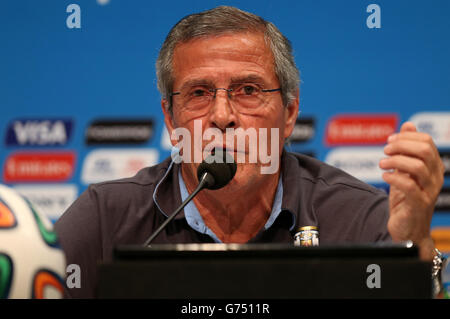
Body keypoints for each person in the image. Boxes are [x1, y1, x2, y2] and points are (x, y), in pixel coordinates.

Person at [55, 6, 445, 298]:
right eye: (198, 93)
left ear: (289, 113)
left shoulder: (360, 220)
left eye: (248, 91)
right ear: (171, 119)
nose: (223, 116)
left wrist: (415, 246)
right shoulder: (103, 221)